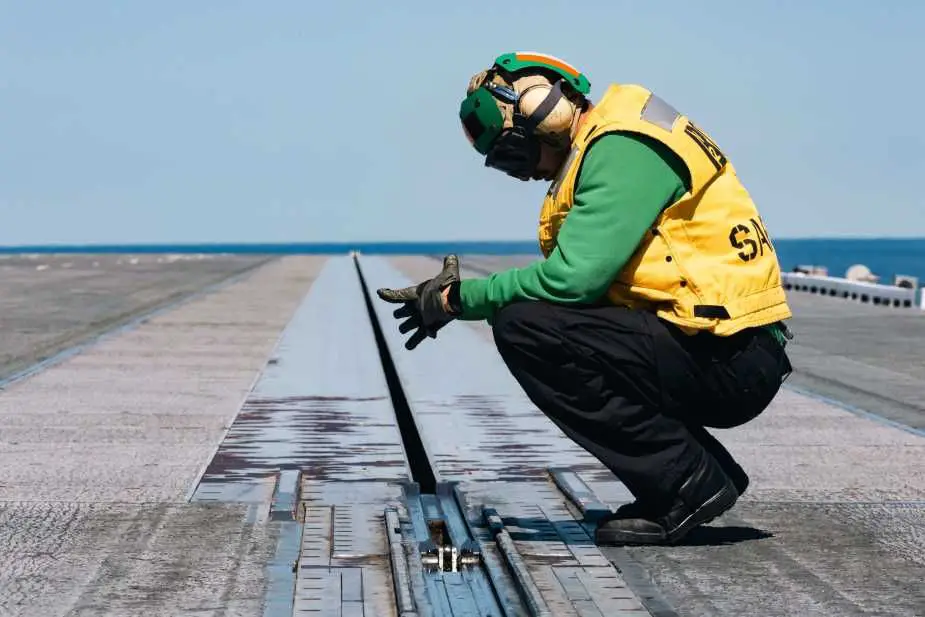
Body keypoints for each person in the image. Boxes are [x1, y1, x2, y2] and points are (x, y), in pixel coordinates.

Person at [376, 51, 793, 546]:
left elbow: (572, 280)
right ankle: (696, 472)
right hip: (717, 345)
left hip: (730, 358)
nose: (522, 174)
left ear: (541, 118)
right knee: (541, 321)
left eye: (516, 155)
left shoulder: (623, 149)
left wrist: (458, 299)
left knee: (525, 327)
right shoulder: (615, 140)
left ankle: (684, 483)